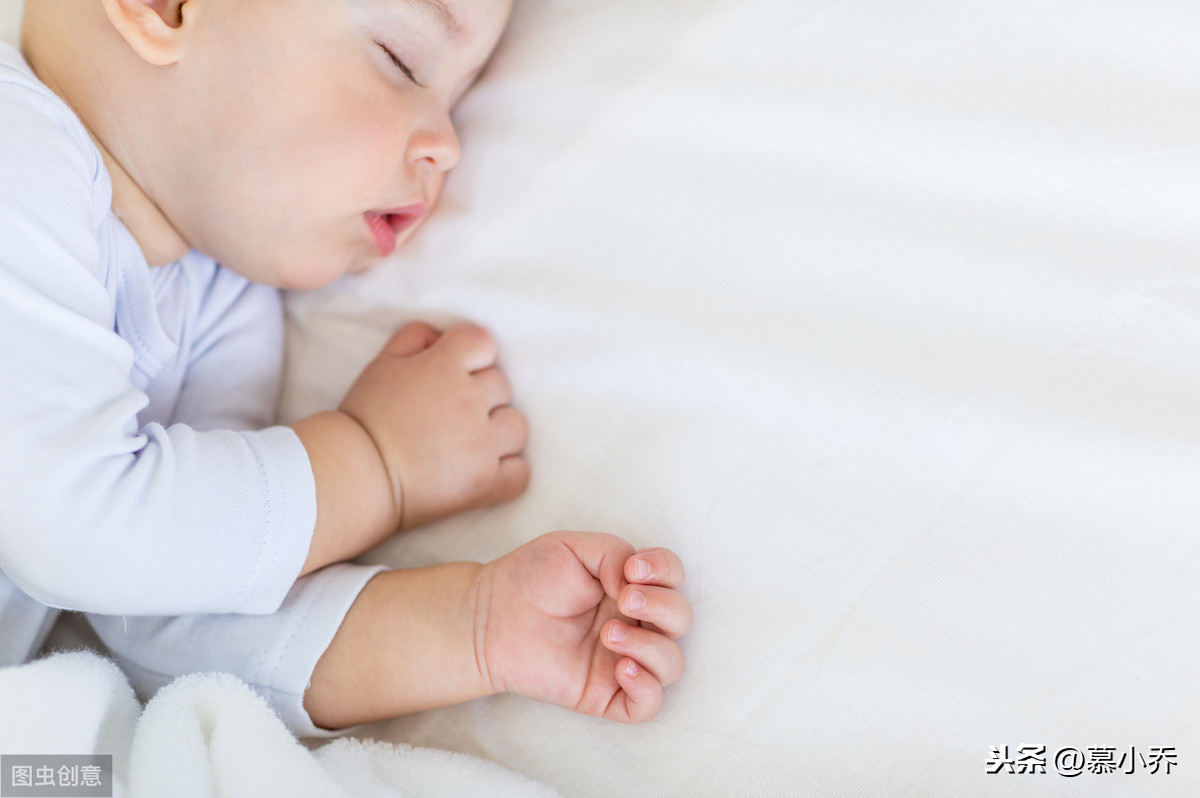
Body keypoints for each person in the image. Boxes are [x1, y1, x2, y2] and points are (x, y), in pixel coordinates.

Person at [0, 0, 691, 734]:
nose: (449, 147)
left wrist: (472, 627)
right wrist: (374, 463)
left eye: (458, 98)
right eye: (401, 59)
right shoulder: (18, 146)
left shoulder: (221, 298)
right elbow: (76, 524)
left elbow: (171, 607)